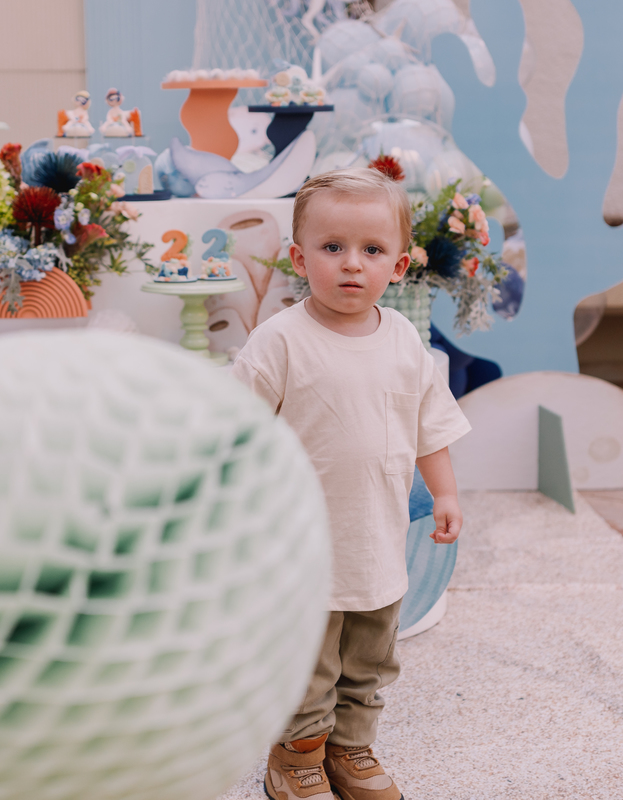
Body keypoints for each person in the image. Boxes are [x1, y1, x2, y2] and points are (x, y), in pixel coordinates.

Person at [231, 168, 471, 800]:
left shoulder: (403, 342)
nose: (351, 266)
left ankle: (350, 749)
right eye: (332, 248)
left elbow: (430, 426)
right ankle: (298, 754)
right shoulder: (278, 342)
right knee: (310, 664)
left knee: (368, 660)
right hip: (301, 546)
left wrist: (444, 493)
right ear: (297, 257)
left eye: (371, 250)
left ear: (399, 264)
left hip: (377, 540)